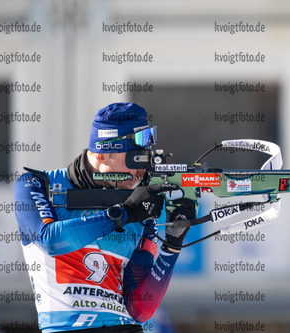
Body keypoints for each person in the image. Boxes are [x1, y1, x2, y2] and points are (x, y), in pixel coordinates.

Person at [14, 102, 193, 333]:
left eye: (146, 158)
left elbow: (140, 309)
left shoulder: (141, 205)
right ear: (101, 153)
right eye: (134, 158)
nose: (141, 170)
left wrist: (173, 243)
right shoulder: (37, 185)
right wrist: (123, 214)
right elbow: (50, 240)